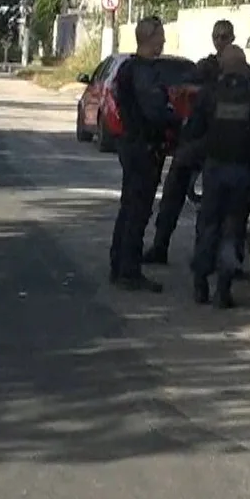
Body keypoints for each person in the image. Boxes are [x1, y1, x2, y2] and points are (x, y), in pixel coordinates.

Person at [183, 45, 250, 308]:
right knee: (233, 230)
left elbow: (193, 130)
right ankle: (223, 289)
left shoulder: (210, 95)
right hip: (243, 171)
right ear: (244, 67)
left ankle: (200, 284)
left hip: (215, 169)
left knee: (208, 225)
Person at [146, 19, 236, 265]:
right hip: (195, 140)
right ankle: (160, 245)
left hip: (219, 145)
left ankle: (205, 257)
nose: (221, 41)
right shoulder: (205, 66)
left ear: (232, 38)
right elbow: (185, 90)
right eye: (217, 36)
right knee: (172, 192)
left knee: (212, 206)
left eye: (225, 36)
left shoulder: (238, 67)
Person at [109, 15, 178, 293]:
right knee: (137, 210)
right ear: (150, 38)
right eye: (160, 36)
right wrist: (175, 118)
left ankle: (120, 265)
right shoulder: (143, 71)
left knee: (128, 208)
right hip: (143, 147)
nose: (163, 41)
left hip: (131, 144)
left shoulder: (128, 68)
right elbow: (154, 112)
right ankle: (129, 270)